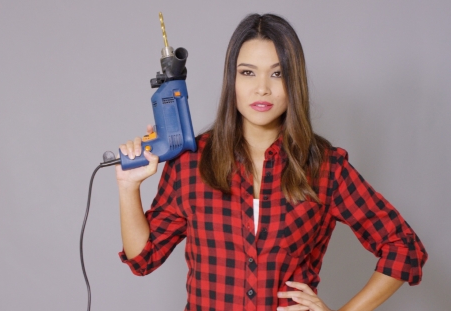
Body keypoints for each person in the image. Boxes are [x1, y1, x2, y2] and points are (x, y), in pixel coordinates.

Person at [115, 13, 427, 311]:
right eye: (248, 72)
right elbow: (144, 259)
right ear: (232, 80)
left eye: (278, 74)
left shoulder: (325, 166)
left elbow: (404, 248)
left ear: (295, 83)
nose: (262, 88)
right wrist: (129, 188)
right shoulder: (191, 162)